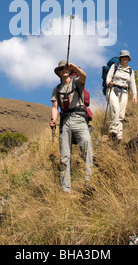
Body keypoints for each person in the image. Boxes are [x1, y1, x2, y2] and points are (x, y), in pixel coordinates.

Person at [50, 60, 93, 193]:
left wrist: (74, 67)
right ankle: (65, 188)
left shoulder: (77, 82)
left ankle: (88, 180)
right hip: (65, 122)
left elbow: (84, 76)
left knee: (86, 146)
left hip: (79, 119)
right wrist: (53, 120)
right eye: (62, 69)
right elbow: (55, 107)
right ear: (59, 72)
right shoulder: (56, 89)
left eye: (66, 68)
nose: (65, 70)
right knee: (64, 155)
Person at [106, 50, 137, 141]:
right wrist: (109, 83)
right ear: (120, 58)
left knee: (121, 114)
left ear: (128, 59)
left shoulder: (130, 71)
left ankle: (119, 135)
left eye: (126, 57)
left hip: (124, 92)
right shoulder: (114, 66)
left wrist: (134, 95)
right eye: (123, 57)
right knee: (115, 108)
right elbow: (108, 77)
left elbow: (132, 83)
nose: (125, 59)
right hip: (113, 90)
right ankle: (113, 130)